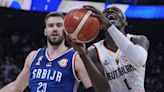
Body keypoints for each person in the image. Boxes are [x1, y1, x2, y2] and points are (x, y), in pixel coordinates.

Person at [0, 12, 94, 92]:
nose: (54, 29)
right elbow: (17, 87)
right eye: (50, 25)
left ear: (65, 30)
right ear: (45, 31)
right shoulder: (33, 56)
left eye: (59, 25)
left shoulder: (75, 58)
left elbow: (93, 88)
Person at [68, 5, 149, 92]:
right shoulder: (94, 51)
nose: (110, 11)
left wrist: (109, 26)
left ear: (124, 22)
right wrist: (83, 55)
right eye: (106, 12)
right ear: (101, 26)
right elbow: (103, 90)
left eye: (116, 10)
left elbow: (139, 60)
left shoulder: (138, 40)